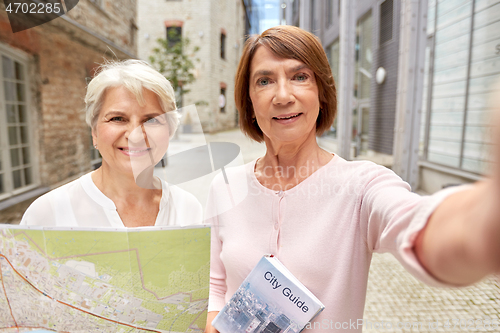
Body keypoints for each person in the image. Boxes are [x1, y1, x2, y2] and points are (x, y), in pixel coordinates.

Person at [205, 25, 500, 332]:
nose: (282, 95)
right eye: (264, 81)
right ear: (249, 102)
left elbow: (417, 225)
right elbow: (216, 285)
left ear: (322, 94)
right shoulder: (225, 187)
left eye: (300, 76)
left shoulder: (361, 185)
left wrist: (481, 223)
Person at [20, 60, 202, 228]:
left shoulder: (188, 210)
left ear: (169, 131)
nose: (135, 136)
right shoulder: (47, 215)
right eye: (117, 118)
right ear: (94, 132)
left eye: (151, 120)